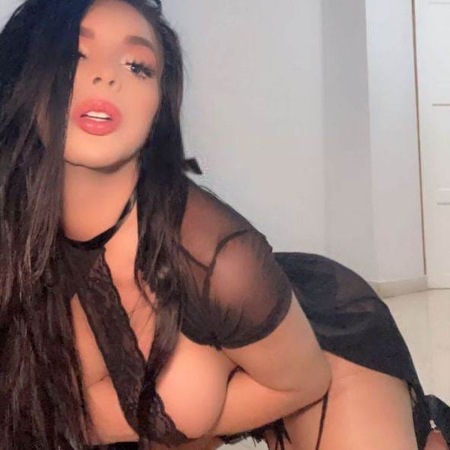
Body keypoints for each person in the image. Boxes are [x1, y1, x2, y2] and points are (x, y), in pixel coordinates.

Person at [0, 1, 447, 450]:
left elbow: (305, 380)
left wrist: (141, 422)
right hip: (217, 348)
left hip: (316, 346)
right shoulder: (19, 236)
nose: (107, 76)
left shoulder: (221, 261)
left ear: (157, 108)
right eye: (76, 54)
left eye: (138, 66)